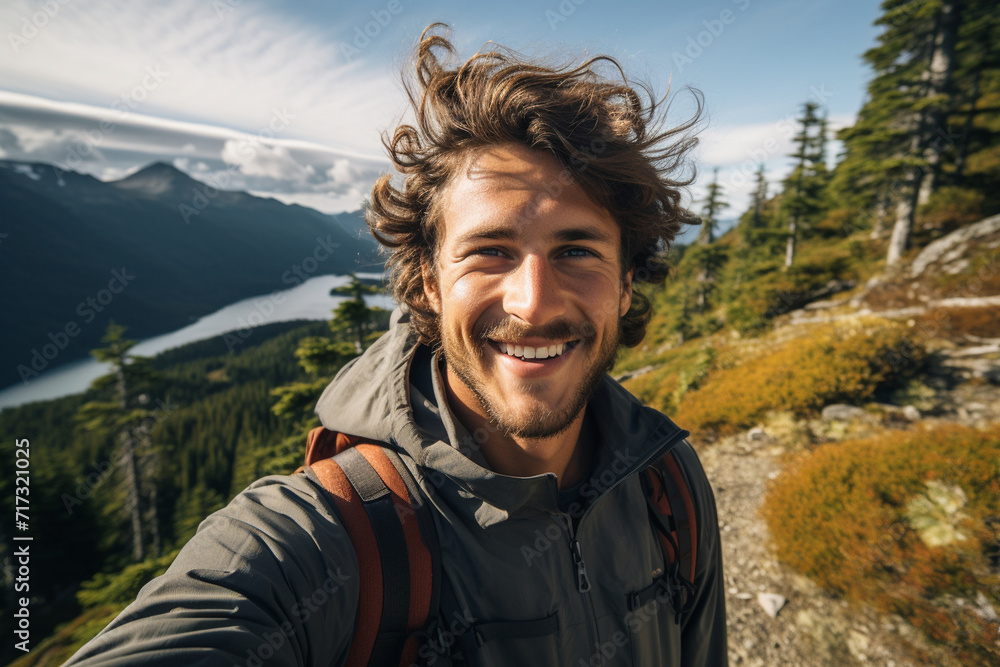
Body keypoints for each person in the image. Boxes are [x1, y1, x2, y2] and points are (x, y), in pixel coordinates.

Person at [66, 24, 727, 667]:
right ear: (429, 284)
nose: (534, 301)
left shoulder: (668, 487)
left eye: (577, 249)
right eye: (489, 251)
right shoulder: (329, 540)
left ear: (626, 284)